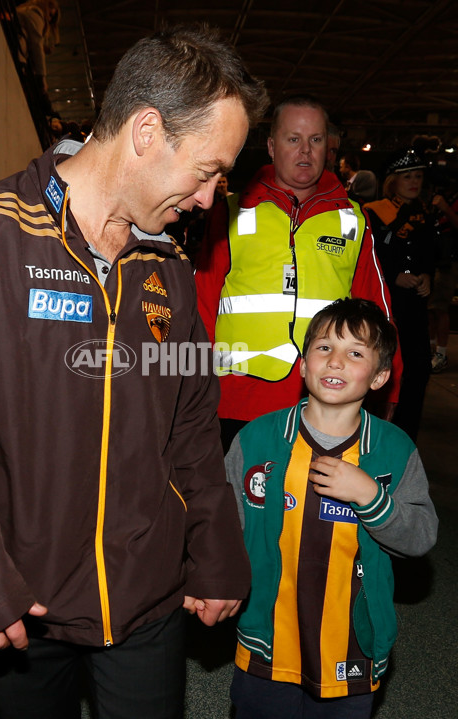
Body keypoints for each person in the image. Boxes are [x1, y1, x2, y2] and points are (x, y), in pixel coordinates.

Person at [0, 25, 269, 719]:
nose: (210, 200)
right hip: (24, 595)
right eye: (208, 170)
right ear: (147, 130)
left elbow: (191, 428)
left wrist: (215, 547)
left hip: (147, 600)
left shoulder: (169, 271)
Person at [225, 298, 438, 719]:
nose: (335, 362)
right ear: (303, 365)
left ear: (379, 377)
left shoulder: (394, 451)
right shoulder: (257, 439)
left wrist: (370, 498)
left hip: (352, 645)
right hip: (266, 635)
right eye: (323, 348)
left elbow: (421, 537)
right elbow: (223, 525)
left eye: (355, 353)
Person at [195, 95, 400, 452]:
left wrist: (391, 383)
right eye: (293, 139)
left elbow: (377, 309)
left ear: (328, 146)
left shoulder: (353, 220)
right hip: (236, 401)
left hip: (325, 403)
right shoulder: (229, 212)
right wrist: (191, 386)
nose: (305, 151)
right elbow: (200, 303)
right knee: (235, 505)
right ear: (272, 147)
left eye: (316, 140)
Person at [364, 149, 437, 442]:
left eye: (418, 176)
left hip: (416, 304)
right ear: (393, 181)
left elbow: (430, 254)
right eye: (407, 177)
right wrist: (394, 275)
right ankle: (373, 433)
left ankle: (406, 437)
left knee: (419, 370)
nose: (414, 182)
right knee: (383, 368)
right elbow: (370, 256)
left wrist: (428, 276)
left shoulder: (426, 214)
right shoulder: (374, 211)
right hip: (387, 302)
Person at [428, 187, 458, 373]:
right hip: (434, 258)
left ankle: (441, 353)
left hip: (450, 260)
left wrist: (446, 208)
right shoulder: (439, 194)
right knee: (430, 308)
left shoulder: (450, 201)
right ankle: (431, 350)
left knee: (439, 307)